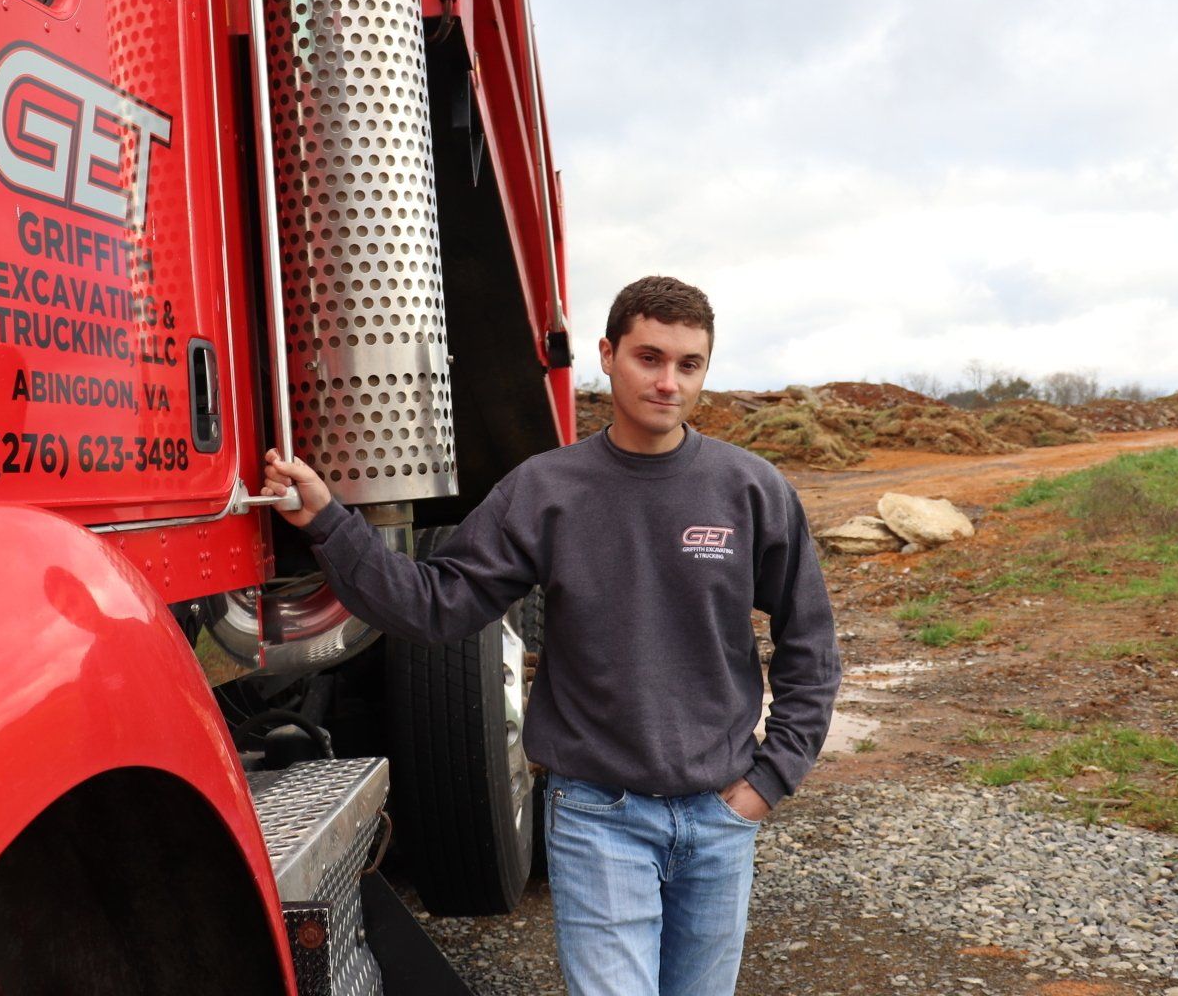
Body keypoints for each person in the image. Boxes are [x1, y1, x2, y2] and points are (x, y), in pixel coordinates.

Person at [262, 275, 841, 996]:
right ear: (607, 354)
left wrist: (769, 779)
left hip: (720, 815)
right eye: (648, 358)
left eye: (688, 365)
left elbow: (810, 644)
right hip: (600, 818)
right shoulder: (546, 490)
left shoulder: (750, 489)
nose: (668, 382)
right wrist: (329, 524)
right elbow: (435, 605)